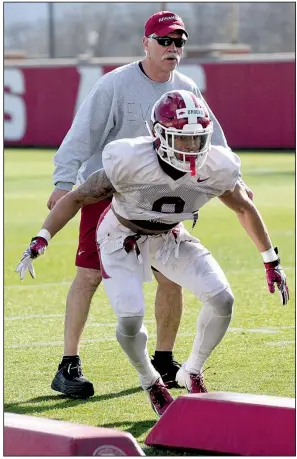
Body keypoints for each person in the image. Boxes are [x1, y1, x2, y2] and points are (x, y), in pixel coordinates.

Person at [16, 89, 288, 416]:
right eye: (183, 139)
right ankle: (151, 381)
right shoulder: (130, 161)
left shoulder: (216, 166)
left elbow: (244, 208)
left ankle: (193, 370)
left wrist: (271, 260)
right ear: (159, 136)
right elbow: (77, 198)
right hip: (121, 238)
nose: (192, 148)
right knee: (130, 317)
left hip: (170, 236)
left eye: (198, 139)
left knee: (223, 300)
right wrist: (42, 237)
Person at [46, 10, 253, 398]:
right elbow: (81, 134)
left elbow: (214, 140)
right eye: (164, 41)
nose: (173, 48)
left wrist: (238, 182)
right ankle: (68, 364)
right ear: (146, 42)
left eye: (179, 42)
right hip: (107, 189)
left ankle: (163, 357)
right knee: (89, 274)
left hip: (160, 193)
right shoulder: (115, 84)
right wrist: (63, 182)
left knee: (170, 276)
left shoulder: (188, 86)